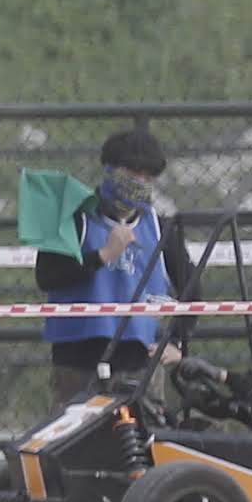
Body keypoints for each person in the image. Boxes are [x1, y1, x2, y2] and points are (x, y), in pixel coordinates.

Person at [38, 124, 197, 406]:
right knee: (72, 447)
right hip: (77, 360)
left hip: (138, 363)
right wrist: (103, 254)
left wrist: (176, 342)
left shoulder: (160, 229)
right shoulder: (74, 218)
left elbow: (192, 287)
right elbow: (47, 276)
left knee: (142, 443)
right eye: (133, 173)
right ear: (110, 169)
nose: (140, 181)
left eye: (148, 176)